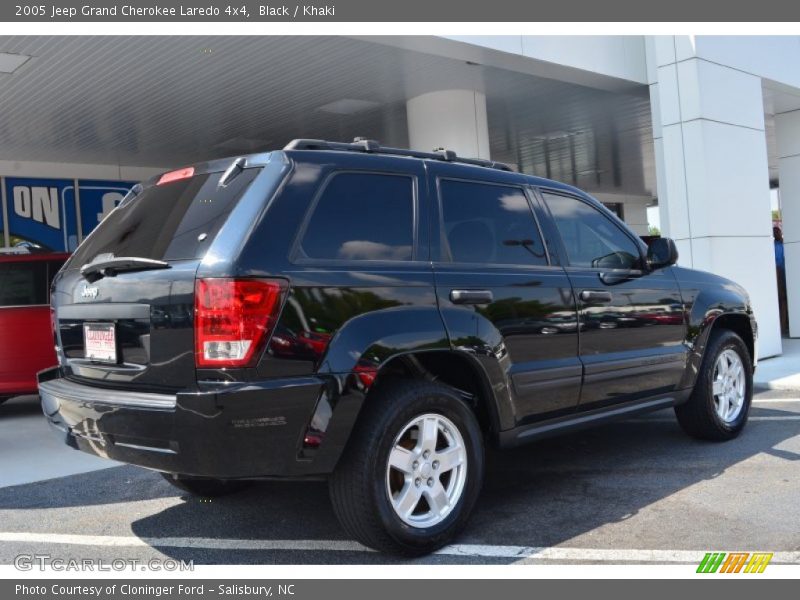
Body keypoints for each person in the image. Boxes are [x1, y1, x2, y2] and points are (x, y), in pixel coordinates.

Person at [774, 226, 789, 335]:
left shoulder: (783, 244)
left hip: (784, 273)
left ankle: (784, 325)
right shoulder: (775, 246)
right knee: (782, 299)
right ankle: (782, 325)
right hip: (778, 274)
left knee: (783, 300)